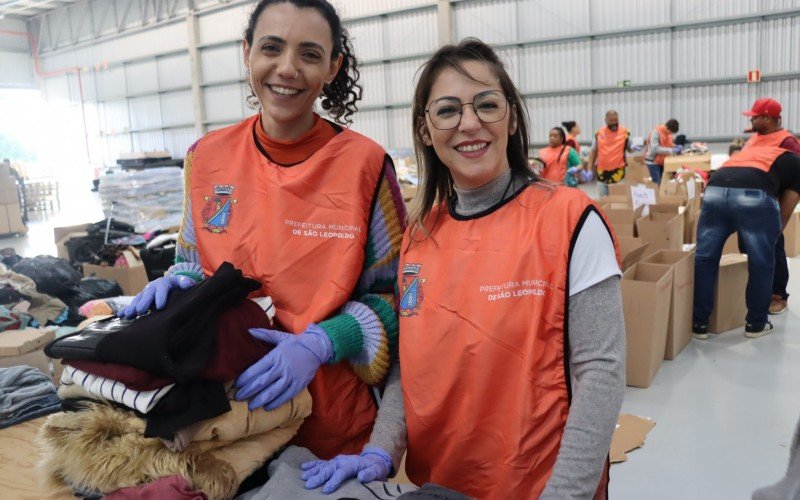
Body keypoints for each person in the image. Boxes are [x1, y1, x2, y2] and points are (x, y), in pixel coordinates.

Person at [299, 38, 625, 499]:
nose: (469, 123)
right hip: (440, 486)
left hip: (538, 487)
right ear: (426, 129)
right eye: (448, 110)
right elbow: (408, 369)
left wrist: (564, 495)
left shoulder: (570, 218)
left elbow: (601, 373)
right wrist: (381, 449)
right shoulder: (418, 235)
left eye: (487, 104)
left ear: (510, 117)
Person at [119, 0, 405, 460]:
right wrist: (178, 284)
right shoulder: (205, 158)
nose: (287, 69)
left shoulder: (367, 167)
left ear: (333, 67)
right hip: (221, 423)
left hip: (330, 431)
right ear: (247, 52)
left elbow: (396, 299)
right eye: (272, 48)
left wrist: (323, 341)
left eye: (310, 55)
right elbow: (194, 265)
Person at [693, 97, 800, 339]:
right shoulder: (789, 157)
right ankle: (756, 324)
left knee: (705, 259)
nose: (752, 121)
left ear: (771, 119)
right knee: (761, 262)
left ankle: (699, 324)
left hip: (715, 191)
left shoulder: (757, 147)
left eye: (756, 116)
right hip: (755, 196)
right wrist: (776, 231)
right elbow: (790, 201)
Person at [587, 110, 633, 197]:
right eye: (611, 121)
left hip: (618, 173)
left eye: (616, 120)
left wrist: (635, 146)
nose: (614, 123)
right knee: (604, 201)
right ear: (605, 120)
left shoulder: (624, 133)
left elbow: (630, 149)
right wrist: (589, 169)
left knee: (617, 201)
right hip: (602, 172)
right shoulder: (599, 134)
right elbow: (593, 152)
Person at [644, 118, 681, 185]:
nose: (670, 134)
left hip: (661, 161)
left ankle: (658, 195)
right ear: (667, 127)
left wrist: (675, 146)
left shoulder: (668, 134)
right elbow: (655, 148)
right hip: (652, 162)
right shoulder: (656, 132)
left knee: (660, 183)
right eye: (670, 132)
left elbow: (668, 144)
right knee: (656, 183)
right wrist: (671, 150)